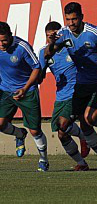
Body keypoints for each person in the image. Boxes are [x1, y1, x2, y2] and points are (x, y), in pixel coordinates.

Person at [44, 2, 97, 171]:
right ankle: (94, 162)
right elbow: (48, 53)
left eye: (74, 19)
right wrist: (52, 44)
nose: (71, 23)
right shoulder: (64, 33)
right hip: (83, 82)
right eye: (68, 19)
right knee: (63, 126)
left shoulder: (93, 32)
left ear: (81, 17)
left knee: (89, 119)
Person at [39, 21, 90, 171]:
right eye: (49, 37)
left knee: (63, 126)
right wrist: (44, 64)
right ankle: (81, 162)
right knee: (61, 134)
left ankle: (84, 139)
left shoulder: (70, 48)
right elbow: (40, 76)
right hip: (60, 95)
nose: (52, 39)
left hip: (75, 93)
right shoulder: (44, 52)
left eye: (55, 36)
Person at [0, 22, 49, 171]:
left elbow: (36, 67)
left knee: (35, 131)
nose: (1, 44)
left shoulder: (22, 47)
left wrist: (25, 88)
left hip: (26, 91)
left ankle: (43, 159)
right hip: (5, 90)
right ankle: (20, 134)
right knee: (0, 124)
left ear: (10, 36)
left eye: (4, 40)